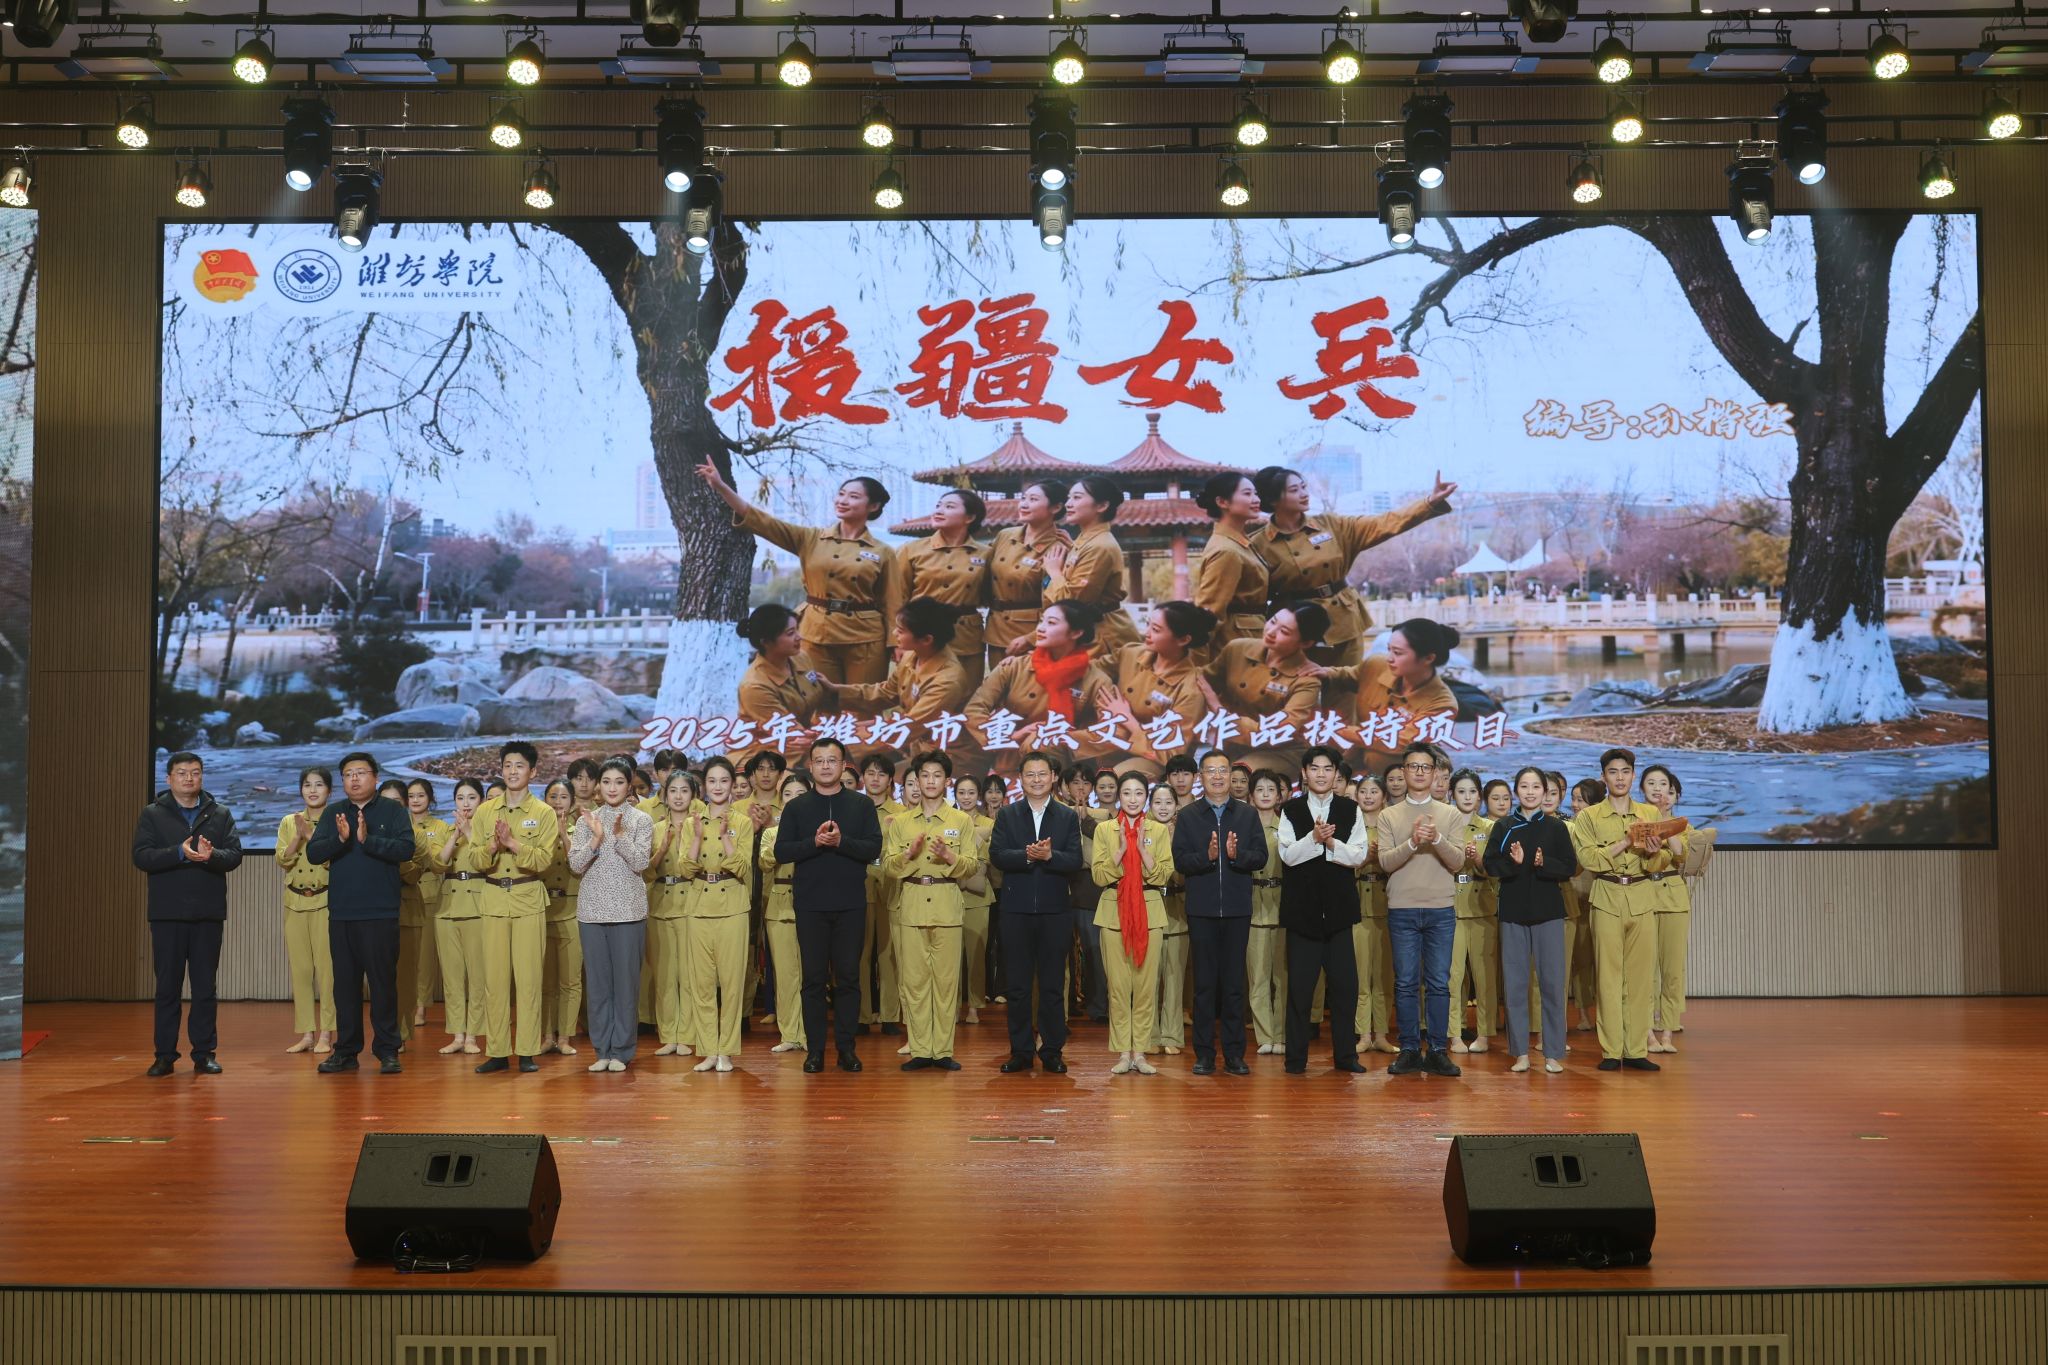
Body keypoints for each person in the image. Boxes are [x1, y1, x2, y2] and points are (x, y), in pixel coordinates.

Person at [1249, 464, 1457, 717]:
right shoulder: (1258, 543)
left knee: (1344, 694)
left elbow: (1385, 523)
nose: (1304, 493)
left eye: (1303, 487)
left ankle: (1344, 741)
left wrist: (1428, 502)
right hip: (1293, 627)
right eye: (1294, 490)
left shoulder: (1331, 525)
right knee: (1288, 691)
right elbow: (1252, 595)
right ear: (1274, 500)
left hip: (1342, 621)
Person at [698, 462, 899, 684]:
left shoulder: (882, 551)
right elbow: (762, 522)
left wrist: (897, 643)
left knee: (864, 700)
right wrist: (720, 486)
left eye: (853, 497)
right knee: (817, 698)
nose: (842, 501)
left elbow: (892, 601)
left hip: (866, 638)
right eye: (841, 494)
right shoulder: (810, 538)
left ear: (873, 506)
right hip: (816, 632)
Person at [774, 736, 886, 1073]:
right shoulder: (797, 807)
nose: (825, 766)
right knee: (813, 980)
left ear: (843, 765)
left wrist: (841, 842)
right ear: (810, 766)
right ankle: (815, 1051)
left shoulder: (861, 805)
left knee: (849, 978)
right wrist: (814, 842)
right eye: (819, 760)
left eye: (832, 760)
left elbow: (873, 848)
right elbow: (782, 851)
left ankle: (847, 1049)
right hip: (810, 905)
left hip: (850, 904)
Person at [132, 751, 244, 1076]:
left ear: (202, 776)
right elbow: (141, 856)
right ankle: (164, 1055)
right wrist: (178, 853)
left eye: (195, 772)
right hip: (167, 913)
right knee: (167, 987)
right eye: (181, 773)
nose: (189, 778)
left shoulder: (219, 813)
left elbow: (234, 855)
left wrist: (211, 856)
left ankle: (204, 1053)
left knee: (205, 988)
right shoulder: (153, 814)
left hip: (207, 913)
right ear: (169, 778)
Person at [307, 751, 416, 1075]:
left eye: (361, 773)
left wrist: (369, 840)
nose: (354, 779)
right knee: (345, 987)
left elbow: (406, 849)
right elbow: (314, 853)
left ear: (375, 777)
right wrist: (340, 839)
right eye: (348, 774)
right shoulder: (334, 812)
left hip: (380, 912)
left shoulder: (393, 811)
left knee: (383, 985)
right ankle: (346, 1051)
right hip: (342, 913)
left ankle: (387, 1050)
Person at [1571, 747, 1677, 1072]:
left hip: (1643, 895)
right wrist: (1626, 842)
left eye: (1626, 771)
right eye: (1613, 772)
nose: (1620, 778)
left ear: (1633, 775)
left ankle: (1635, 1050)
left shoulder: (1650, 813)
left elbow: (1664, 859)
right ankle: (1611, 1050)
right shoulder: (1589, 817)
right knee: (1608, 978)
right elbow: (1588, 859)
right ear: (1603, 777)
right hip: (1606, 895)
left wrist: (1654, 853)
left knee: (1641, 978)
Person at [1170, 750, 1269, 1076]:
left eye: (1222, 771)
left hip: (1238, 910)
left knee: (1233, 985)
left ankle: (1235, 1054)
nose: (1217, 776)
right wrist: (1208, 857)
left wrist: (1236, 855)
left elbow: (1261, 856)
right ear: (1201, 777)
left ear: (1231, 776)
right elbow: (1181, 861)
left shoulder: (1247, 814)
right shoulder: (1189, 816)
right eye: (1210, 771)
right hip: (1202, 911)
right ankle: (1204, 1054)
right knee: (1204, 986)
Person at [1374, 743, 1469, 1078]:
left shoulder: (1450, 814)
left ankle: (1438, 1050)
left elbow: (1458, 862)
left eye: (1425, 767)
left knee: (1439, 983)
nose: (1418, 772)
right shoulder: (1388, 815)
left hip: (1440, 908)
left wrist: (1437, 838)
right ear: (1403, 771)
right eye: (1412, 766)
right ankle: (1410, 1049)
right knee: (1405, 983)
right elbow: (1385, 862)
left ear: (1435, 773)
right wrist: (1414, 842)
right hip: (1402, 908)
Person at [988, 750, 1086, 1073]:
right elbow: (997, 854)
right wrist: (1028, 856)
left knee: (1052, 985)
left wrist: (1050, 856)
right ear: (1020, 779)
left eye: (1042, 774)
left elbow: (1074, 860)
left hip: (1055, 912)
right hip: (1015, 911)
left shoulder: (1067, 816)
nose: (1036, 780)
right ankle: (1020, 1051)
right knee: (1017, 986)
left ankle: (1052, 1050)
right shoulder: (1008, 814)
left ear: (1053, 777)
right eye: (1030, 775)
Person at [464, 741, 559, 1075]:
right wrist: (492, 846)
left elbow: (544, 861)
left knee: (530, 980)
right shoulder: (485, 811)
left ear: (533, 771)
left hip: (528, 899)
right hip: (493, 900)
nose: (513, 771)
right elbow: (475, 859)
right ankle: (498, 1051)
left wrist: (512, 844)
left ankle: (528, 1051)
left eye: (519, 765)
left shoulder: (543, 813)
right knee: (495, 981)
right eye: (507, 765)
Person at [1275, 744, 1370, 1074]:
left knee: (1345, 989)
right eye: (1314, 768)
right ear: (1304, 773)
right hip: (1302, 915)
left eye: (1327, 769)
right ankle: (1295, 1059)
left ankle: (1346, 1057)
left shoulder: (1350, 809)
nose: (1321, 774)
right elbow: (1288, 856)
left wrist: (1331, 843)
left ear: (1336, 774)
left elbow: (1358, 856)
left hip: (1340, 914)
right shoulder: (1290, 810)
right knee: (1300, 991)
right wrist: (1313, 839)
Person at [886, 751, 978, 1071]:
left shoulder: (961, 821)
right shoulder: (901, 822)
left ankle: (942, 1051)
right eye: (924, 775)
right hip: (911, 904)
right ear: (915, 780)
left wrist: (950, 858)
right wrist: (909, 855)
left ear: (947, 781)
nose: (930, 781)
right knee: (914, 983)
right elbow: (888, 867)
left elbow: (971, 866)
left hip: (946, 905)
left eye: (937, 775)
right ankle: (921, 1049)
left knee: (946, 982)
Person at [1484, 766, 1578, 1075]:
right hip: (1513, 913)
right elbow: (1490, 865)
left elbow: (1569, 866)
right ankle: (1520, 1053)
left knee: (1552, 985)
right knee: (1515, 986)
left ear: (1545, 792)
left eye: (1536, 787)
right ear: (1516, 791)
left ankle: (1553, 1053)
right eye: (1524, 786)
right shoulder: (1504, 826)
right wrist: (1514, 863)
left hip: (1549, 912)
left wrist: (1542, 862)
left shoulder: (1556, 827)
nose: (1530, 792)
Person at [568, 758, 654, 1073]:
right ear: (598, 786)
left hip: (629, 912)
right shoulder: (586, 820)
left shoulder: (641, 820)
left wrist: (619, 837)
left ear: (629, 785)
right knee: (599, 986)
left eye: (619, 782)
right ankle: (602, 1050)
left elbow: (641, 863)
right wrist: (596, 838)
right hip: (592, 912)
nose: (612, 788)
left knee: (626, 986)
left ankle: (621, 1051)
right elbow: (575, 865)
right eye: (606, 782)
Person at [1091, 772, 1171, 1075]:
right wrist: (1121, 851)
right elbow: (1099, 875)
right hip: (1113, 912)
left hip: (1150, 912)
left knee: (1146, 988)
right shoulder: (1105, 829)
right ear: (1119, 797)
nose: (1133, 799)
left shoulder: (1158, 830)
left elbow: (1164, 874)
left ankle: (1141, 1053)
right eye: (1127, 793)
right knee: (1119, 989)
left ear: (1146, 797)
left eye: (1139, 793)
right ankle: (1123, 1052)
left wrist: (1143, 853)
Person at [682, 756, 755, 1073]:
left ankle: (726, 1051)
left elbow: (742, 867)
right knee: (701, 983)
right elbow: (685, 869)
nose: (718, 786)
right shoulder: (691, 823)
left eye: (724, 781)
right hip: (698, 904)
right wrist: (698, 837)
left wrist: (725, 835)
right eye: (712, 781)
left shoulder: (743, 822)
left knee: (732, 982)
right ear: (704, 785)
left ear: (733, 785)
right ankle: (708, 1050)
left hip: (732, 905)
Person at [965, 600, 1114, 755]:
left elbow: (1111, 730)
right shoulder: (1014, 666)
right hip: (1010, 757)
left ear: (1076, 633)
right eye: (1041, 621)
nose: (1040, 628)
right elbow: (974, 709)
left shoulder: (1096, 680)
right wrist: (1010, 736)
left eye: (1051, 623)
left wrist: (1056, 737)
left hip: (1064, 760)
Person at [1206, 603, 1329, 772]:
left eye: (1284, 632)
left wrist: (1217, 708)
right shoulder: (1237, 648)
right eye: (1272, 621)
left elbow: (1278, 731)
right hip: (1233, 743)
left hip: (1282, 751)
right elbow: (1202, 682)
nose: (1271, 632)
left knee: (1238, 777)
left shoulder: (1307, 681)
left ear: (1306, 643)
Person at [891, 488, 993, 687]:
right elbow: (896, 597)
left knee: (966, 694)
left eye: (949, 506)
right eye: (938, 505)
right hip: (920, 635)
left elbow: (991, 594)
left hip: (966, 637)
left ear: (970, 517)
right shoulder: (911, 550)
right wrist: (896, 641)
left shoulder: (986, 554)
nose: (939, 510)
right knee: (918, 694)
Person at [825, 596, 973, 728]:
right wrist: (834, 691)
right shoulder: (911, 656)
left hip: (937, 747)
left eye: (901, 631)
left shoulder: (947, 682)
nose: (894, 633)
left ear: (927, 639)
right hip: (912, 740)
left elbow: (909, 726)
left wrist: (849, 731)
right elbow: (886, 693)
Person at [275, 766, 336, 1055]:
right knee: (300, 971)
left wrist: (311, 836)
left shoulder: (336, 820)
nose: (312, 790)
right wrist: (298, 837)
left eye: (319, 784)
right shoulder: (289, 821)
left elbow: (335, 860)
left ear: (329, 790)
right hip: (294, 901)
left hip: (326, 901)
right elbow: (282, 859)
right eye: (307, 785)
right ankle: (307, 1033)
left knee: (327, 972)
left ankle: (326, 1033)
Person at [983, 478, 1073, 674]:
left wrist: (1032, 638)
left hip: (1029, 634)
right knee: (996, 688)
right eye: (1023, 498)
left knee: (1027, 688)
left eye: (1033, 499)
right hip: (996, 630)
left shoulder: (1058, 547)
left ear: (1056, 507)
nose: (1024, 504)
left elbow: (1059, 601)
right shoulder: (1005, 536)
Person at [1046, 475, 1140, 654]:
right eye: (1069, 498)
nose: (1068, 504)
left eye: (1077, 497)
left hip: (1102, 635)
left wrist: (1054, 572)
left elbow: (1073, 602)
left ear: (1101, 506)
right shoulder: (1086, 540)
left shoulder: (1099, 546)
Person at [431, 778, 489, 1055]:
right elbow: (438, 864)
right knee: (452, 977)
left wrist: (470, 831)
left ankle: (473, 1036)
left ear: (482, 801)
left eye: (472, 798)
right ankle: (457, 1034)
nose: (465, 804)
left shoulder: (487, 830)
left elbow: (488, 862)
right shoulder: (444, 830)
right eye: (460, 798)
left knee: (478, 976)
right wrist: (455, 835)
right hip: (447, 907)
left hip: (477, 906)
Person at [647, 770, 701, 1060]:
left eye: (684, 790)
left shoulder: (699, 826)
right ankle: (669, 1035)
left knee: (688, 975)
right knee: (664, 975)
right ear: (665, 795)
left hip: (690, 902)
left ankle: (688, 1035)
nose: (678, 796)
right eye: (673, 791)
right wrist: (663, 848)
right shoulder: (655, 828)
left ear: (693, 796)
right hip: (659, 904)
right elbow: (645, 871)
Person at [1640, 763, 1694, 1055]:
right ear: (1642, 789)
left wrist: (1663, 819)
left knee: (1672, 969)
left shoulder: (1683, 824)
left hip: (1673, 898)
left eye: (1663, 784)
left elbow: (1679, 853)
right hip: (1642, 896)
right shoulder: (1635, 821)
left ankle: (1669, 1030)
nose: (1658, 789)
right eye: (1651, 783)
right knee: (1644, 970)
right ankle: (1647, 1031)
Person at [758, 773, 812, 1054]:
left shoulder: (819, 831)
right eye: (788, 795)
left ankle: (811, 1033)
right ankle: (790, 1033)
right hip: (779, 907)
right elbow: (765, 861)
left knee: (811, 975)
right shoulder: (771, 833)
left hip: (811, 905)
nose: (793, 800)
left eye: (800, 795)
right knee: (786, 975)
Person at [855, 752, 908, 1036]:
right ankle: (862, 1015)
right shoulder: (853, 808)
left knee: (890, 953)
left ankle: (889, 1015)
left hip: (890, 886)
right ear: (863, 778)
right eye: (870, 773)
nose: (875, 779)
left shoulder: (901, 813)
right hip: (858, 884)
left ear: (890, 781)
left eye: (882, 774)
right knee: (859, 953)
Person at [1189, 471, 1269, 657]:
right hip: (1236, 642)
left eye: (1255, 493)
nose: (1256, 499)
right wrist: (1197, 661)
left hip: (1250, 635)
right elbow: (1210, 611)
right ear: (1222, 502)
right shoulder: (1227, 550)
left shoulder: (1240, 543)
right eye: (1247, 493)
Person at [734, 606, 832, 757]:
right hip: (770, 753)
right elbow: (792, 734)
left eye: (797, 630)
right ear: (766, 642)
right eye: (790, 633)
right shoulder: (755, 687)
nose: (799, 637)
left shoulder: (801, 658)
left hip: (805, 741)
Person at [1446, 768, 1495, 1056]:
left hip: (1482, 909)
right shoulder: (1444, 825)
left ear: (1480, 796)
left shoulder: (1491, 827)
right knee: (1452, 977)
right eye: (1461, 791)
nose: (1467, 797)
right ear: (1452, 794)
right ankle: (1454, 1034)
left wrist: (1477, 859)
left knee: (1484, 976)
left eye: (1472, 792)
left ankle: (1484, 1034)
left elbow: (1496, 870)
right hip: (1450, 908)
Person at [1352, 774, 1398, 1055]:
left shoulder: (1392, 825)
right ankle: (1363, 1034)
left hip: (1387, 908)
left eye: (1374, 791)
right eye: (1363, 791)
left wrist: (1383, 859)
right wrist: (1366, 859)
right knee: (1360, 978)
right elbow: (1339, 865)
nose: (1368, 796)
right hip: (1356, 909)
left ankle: (1381, 1034)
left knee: (1384, 978)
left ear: (1384, 796)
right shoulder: (1350, 826)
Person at [1244, 770, 1288, 1057]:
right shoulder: (1243, 827)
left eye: (1271, 789)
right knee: (1258, 977)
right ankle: (1265, 1036)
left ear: (1279, 795)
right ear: (1251, 796)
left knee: (1282, 978)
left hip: (1282, 907)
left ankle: (1281, 1035)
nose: (1265, 794)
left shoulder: (1287, 827)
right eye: (1259, 789)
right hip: (1252, 908)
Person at [403, 779, 451, 1042]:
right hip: (403, 895)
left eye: (421, 795)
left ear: (430, 799)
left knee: (424, 958)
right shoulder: (400, 825)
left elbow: (440, 862)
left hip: (431, 897)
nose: (415, 800)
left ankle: (421, 1006)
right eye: (411, 795)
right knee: (405, 957)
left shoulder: (441, 827)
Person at [539, 778, 583, 1057]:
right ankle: (546, 1036)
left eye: (563, 797)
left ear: (573, 802)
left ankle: (565, 1036)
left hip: (572, 910)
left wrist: (564, 835)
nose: (557, 802)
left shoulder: (582, 830)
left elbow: (579, 868)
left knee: (570, 979)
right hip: (542, 909)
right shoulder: (536, 832)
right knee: (545, 980)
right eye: (552, 796)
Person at [1146, 781, 1191, 1055]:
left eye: (1168, 802)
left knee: (1175, 976)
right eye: (1157, 802)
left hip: (1178, 909)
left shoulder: (1187, 833)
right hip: (1149, 908)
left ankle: (1172, 1035)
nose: (1163, 807)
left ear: (1177, 806)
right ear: (1150, 806)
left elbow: (1186, 874)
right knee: (1149, 978)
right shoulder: (1143, 831)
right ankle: (1149, 1035)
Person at [952, 774, 996, 1025]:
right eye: (961, 792)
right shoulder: (949, 819)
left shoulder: (990, 822)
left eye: (971, 793)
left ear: (978, 795)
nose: (966, 797)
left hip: (979, 895)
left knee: (976, 956)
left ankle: (974, 1007)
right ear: (955, 795)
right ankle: (953, 1006)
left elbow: (990, 856)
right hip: (950, 893)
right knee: (951, 958)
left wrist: (969, 844)